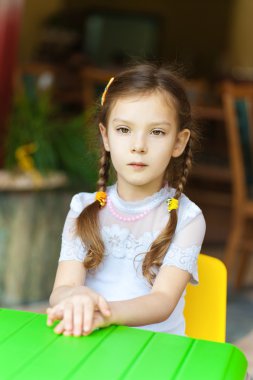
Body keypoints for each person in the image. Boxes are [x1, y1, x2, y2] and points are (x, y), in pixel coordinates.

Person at [47, 62, 206, 337]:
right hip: (91, 341)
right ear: (105, 136)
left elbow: (162, 302)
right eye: (124, 130)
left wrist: (103, 313)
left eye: (157, 132)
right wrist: (75, 298)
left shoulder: (189, 218)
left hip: (154, 351)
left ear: (178, 143)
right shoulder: (82, 207)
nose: (138, 145)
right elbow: (61, 290)